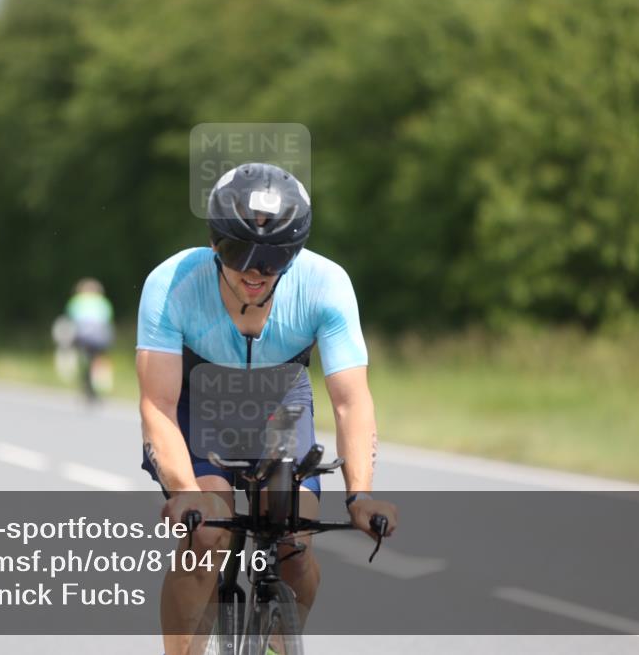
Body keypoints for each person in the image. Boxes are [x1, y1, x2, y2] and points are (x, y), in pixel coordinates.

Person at [136, 162, 399, 654]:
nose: (256, 272)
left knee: (294, 544)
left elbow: (350, 401)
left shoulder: (326, 284)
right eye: (239, 254)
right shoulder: (171, 283)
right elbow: (158, 404)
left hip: (281, 407)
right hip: (201, 406)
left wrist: (361, 494)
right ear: (215, 242)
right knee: (207, 533)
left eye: (275, 258)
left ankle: (280, 642)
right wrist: (185, 492)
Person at [64, 278, 114, 401]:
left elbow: (71, 318)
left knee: (83, 358)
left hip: (83, 335)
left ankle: (85, 381)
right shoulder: (103, 302)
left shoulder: (77, 301)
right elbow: (107, 319)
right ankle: (98, 381)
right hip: (100, 336)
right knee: (98, 358)